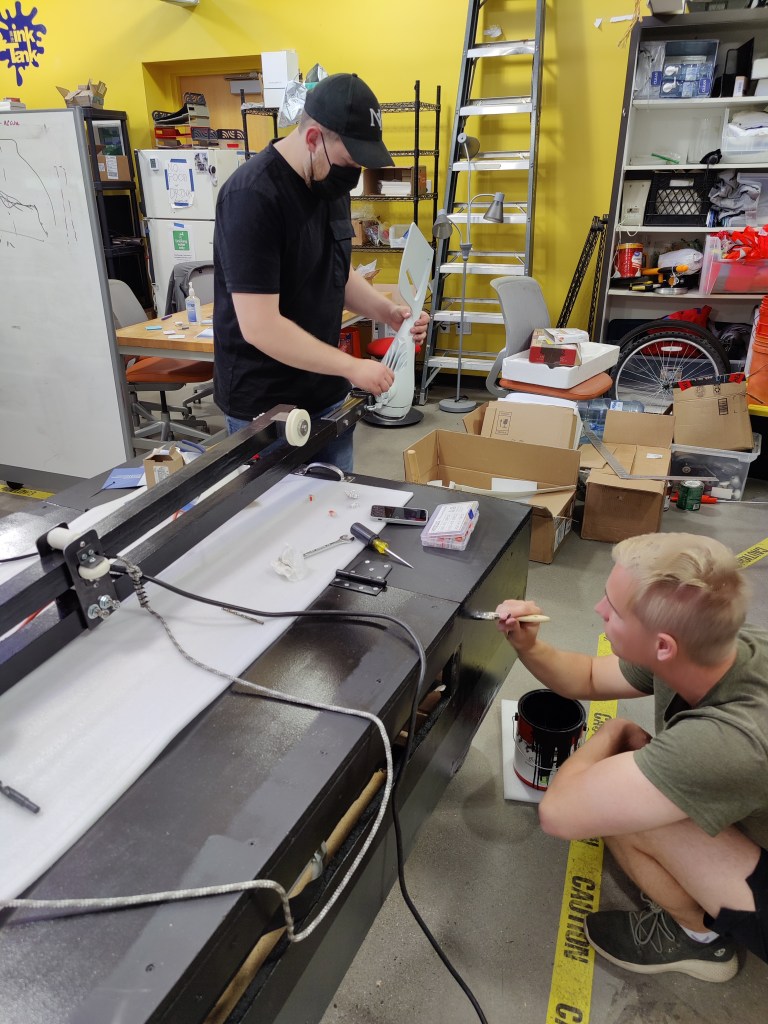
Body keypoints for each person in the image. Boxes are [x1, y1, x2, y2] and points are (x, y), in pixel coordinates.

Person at [495, 532, 768, 983]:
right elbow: (588, 676)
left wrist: (614, 732)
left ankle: (700, 939)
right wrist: (528, 646)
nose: (598, 609)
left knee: (613, 796)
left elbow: (560, 813)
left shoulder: (730, 739)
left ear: (662, 646)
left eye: (615, 610)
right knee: (628, 779)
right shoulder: (708, 645)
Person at [212, 72, 429, 472]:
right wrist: (352, 366)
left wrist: (387, 312)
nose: (352, 175)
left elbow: (337, 273)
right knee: (272, 510)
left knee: (337, 502)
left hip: (326, 394)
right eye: (348, 163)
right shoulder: (252, 197)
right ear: (313, 138)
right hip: (267, 408)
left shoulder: (330, 185)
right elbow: (260, 327)